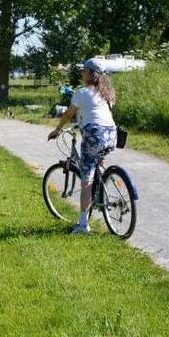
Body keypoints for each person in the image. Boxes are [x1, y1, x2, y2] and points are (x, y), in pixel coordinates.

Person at [47, 58, 117, 234]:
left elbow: (68, 114)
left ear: (90, 74)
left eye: (83, 71)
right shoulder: (106, 93)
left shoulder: (81, 92)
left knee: (86, 180)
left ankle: (83, 225)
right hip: (111, 135)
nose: (81, 73)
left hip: (94, 136)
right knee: (95, 161)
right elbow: (97, 114)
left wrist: (57, 130)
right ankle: (100, 192)